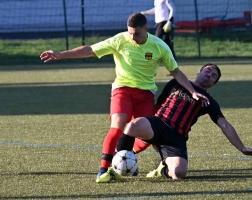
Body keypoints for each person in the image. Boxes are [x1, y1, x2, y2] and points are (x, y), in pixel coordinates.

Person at [40, 13, 209, 183]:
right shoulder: (120, 40)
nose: (133, 37)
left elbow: (176, 72)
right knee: (118, 127)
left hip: (146, 95)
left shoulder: (160, 46)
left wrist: (192, 91)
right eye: (130, 33)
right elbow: (91, 50)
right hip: (123, 90)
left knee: (151, 136)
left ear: (146, 29)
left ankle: (131, 159)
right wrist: (61, 54)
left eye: (137, 34)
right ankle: (104, 169)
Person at [114, 63, 252, 182]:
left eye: (213, 76)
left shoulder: (208, 101)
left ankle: (163, 169)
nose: (209, 74)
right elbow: (158, 104)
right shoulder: (176, 83)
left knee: (179, 173)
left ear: (213, 84)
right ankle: (118, 166)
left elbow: (224, 124)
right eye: (208, 70)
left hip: (176, 138)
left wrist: (242, 148)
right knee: (134, 125)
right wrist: (148, 123)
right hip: (158, 124)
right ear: (199, 71)